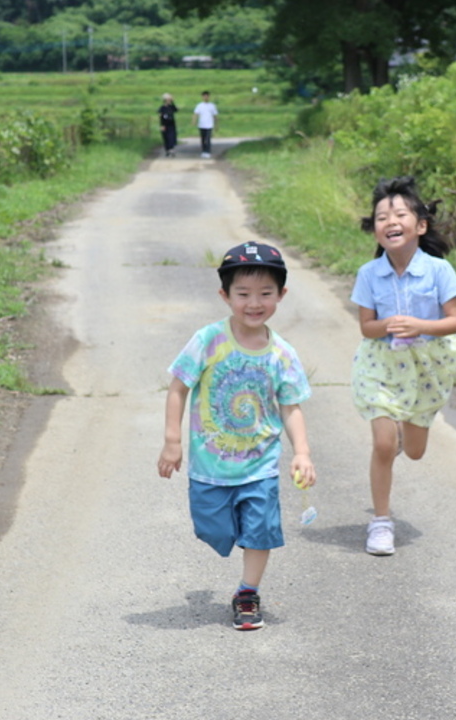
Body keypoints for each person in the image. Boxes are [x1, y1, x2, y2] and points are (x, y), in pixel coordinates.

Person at [157, 241, 316, 630]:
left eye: (265, 293)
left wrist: (302, 453)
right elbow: (178, 388)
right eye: (243, 294)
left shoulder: (282, 354)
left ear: (282, 295)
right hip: (210, 467)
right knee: (214, 530)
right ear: (225, 296)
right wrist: (172, 441)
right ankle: (232, 543)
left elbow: (291, 405)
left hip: (259, 465)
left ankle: (248, 592)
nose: (254, 303)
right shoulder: (208, 340)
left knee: (258, 532)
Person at [349, 176, 456, 556]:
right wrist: (387, 326)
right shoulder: (369, 274)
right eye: (382, 216)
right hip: (381, 364)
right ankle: (381, 523)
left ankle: (400, 438)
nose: (390, 220)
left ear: (421, 226)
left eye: (399, 214)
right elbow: (367, 328)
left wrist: (420, 326)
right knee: (383, 444)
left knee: (414, 451)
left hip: (426, 367)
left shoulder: (438, 271)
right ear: (376, 229)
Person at [192, 90, 218, 158]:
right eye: (204, 96)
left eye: (207, 96)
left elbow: (215, 116)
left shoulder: (212, 106)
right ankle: (203, 151)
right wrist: (194, 121)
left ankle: (208, 151)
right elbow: (196, 114)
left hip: (209, 125)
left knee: (208, 138)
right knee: (203, 139)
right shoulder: (199, 105)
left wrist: (216, 124)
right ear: (202, 97)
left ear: (209, 97)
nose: (206, 97)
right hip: (202, 125)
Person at [158, 93, 179, 157]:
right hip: (165, 125)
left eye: (169, 100)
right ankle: (167, 150)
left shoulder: (172, 107)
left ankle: (171, 149)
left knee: (172, 137)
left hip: (171, 124)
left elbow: (176, 109)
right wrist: (162, 125)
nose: (168, 101)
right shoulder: (162, 108)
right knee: (166, 138)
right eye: (168, 100)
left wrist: (172, 102)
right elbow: (160, 116)